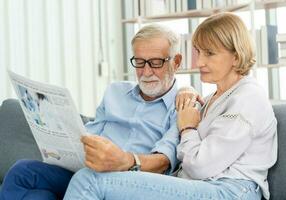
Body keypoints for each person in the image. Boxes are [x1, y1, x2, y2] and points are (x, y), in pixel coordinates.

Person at [63, 12, 277, 200]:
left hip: (229, 191)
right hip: (199, 185)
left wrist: (188, 128)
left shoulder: (249, 98)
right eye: (198, 52)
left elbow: (199, 166)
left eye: (209, 53)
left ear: (236, 56)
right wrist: (188, 94)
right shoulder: (214, 97)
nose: (199, 62)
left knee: (90, 181)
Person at [0, 24, 182, 200]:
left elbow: (164, 161)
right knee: (23, 172)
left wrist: (125, 161)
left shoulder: (183, 105)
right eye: (140, 62)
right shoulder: (115, 92)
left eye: (156, 63)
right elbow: (89, 133)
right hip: (88, 171)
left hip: (129, 184)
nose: (146, 72)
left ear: (176, 62)